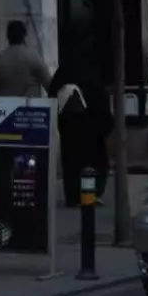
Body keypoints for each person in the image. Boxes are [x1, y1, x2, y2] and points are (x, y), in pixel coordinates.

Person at [48, 58, 112, 206]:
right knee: (95, 161)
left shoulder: (63, 71)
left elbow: (53, 94)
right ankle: (92, 194)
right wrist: (106, 124)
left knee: (70, 162)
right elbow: (101, 99)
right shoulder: (92, 72)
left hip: (69, 127)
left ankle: (72, 196)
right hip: (91, 126)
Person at [0, 20, 53, 97]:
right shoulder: (34, 57)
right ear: (24, 36)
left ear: (8, 37)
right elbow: (50, 87)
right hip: (29, 107)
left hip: (5, 107)